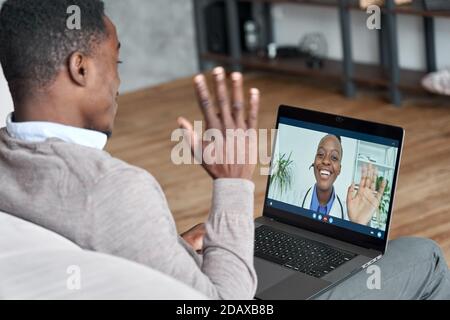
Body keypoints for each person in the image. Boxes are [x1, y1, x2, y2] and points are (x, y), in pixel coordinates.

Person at [0, 0, 449, 300]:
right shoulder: (117, 191)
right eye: (114, 62)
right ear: (80, 68)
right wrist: (233, 182)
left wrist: (172, 248)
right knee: (421, 253)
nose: (118, 81)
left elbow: (106, 255)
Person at [298, 134, 387, 226]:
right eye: (320, 154)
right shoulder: (294, 198)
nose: (326, 161)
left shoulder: (349, 214)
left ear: (339, 169)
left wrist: (358, 224)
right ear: (314, 161)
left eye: (334, 157)